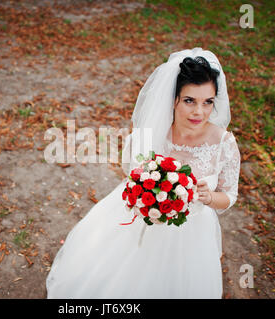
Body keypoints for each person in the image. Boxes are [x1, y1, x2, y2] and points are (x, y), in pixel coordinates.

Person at [46, 48, 241, 299]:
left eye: (208, 102)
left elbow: (229, 195)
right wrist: (144, 200)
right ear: (174, 99)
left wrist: (209, 198)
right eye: (190, 100)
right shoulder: (151, 134)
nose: (199, 112)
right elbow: (131, 175)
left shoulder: (224, 143)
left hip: (191, 234)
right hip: (142, 221)